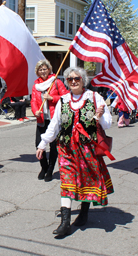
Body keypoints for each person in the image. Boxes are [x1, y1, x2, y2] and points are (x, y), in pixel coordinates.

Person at [36, 67, 113, 236]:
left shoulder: (94, 97)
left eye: (76, 78)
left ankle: (84, 212)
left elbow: (108, 124)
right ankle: (65, 223)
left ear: (83, 79)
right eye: (69, 79)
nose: (73, 81)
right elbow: (54, 125)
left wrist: (100, 116)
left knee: (86, 181)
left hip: (88, 149)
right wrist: (42, 144)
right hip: (66, 149)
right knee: (67, 182)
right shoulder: (63, 100)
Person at [31, 59, 68, 181]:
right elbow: (33, 101)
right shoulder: (36, 86)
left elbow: (66, 97)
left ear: (49, 69)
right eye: (40, 69)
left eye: (45, 69)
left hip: (54, 119)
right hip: (42, 119)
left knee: (53, 146)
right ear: (37, 72)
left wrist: (52, 97)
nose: (43, 71)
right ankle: (44, 167)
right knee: (39, 144)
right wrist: (35, 111)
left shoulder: (56, 82)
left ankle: (50, 170)